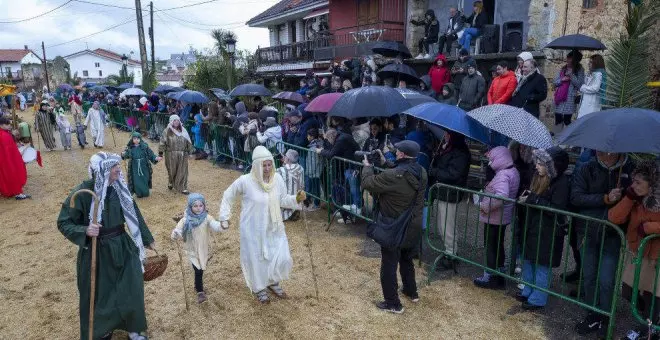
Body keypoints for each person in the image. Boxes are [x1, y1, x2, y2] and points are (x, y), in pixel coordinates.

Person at [57, 152, 155, 340]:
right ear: (100, 171)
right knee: (101, 295)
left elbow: (133, 212)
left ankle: (134, 328)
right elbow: (64, 222)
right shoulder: (83, 193)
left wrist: (146, 238)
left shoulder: (120, 188)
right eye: (113, 167)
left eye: (117, 165)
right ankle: (102, 331)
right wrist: (85, 230)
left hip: (123, 246)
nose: (118, 169)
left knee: (132, 287)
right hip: (97, 251)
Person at [219, 146, 306, 304]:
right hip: (253, 227)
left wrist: (296, 199)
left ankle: (273, 281)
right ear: (256, 165)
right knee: (257, 258)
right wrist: (224, 217)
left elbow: (282, 199)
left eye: (269, 164)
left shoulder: (277, 179)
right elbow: (228, 195)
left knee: (281, 257)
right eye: (263, 165)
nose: (267, 168)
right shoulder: (246, 181)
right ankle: (259, 287)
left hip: (274, 226)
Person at [361, 140, 428, 314]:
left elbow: (368, 183)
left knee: (389, 264)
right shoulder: (421, 171)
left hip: (394, 226)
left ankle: (392, 303)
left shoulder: (395, 176)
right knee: (406, 259)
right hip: (413, 224)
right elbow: (402, 172)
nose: (395, 152)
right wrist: (385, 162)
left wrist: (367, 166)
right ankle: (411, 291)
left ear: (402, 154)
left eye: (397, 151)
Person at [571, 151, 633, 336]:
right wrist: (604, 198)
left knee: (606, 279)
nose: (601, 152)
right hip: (587, 231)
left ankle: (605, 316)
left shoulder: (629, 170)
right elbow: (576, 197)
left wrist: (622, 199)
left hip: (612, 234)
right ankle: (592, 314)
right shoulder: (586, 167)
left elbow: (635, 200)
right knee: (589, 277)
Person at [608, 160, 660, 340]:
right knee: (628, 291)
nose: (633, 185)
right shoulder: (635, 199)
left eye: (638, 182)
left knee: (652, 296)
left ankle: (647, 329)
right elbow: (614, 218)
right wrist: (628, 197)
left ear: (652, 184)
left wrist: (649, 228)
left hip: (655, 257)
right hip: (636, 252)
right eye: (633, 181)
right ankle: (647, 321)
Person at [517, 147, 570, 310]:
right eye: (537, 163)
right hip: (534, 228)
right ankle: (528, 290)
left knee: (541, 266)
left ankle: (538, 298)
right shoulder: (539, 179)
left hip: (548, 232)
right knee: (529, 261)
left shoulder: (561, 184)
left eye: (541, 163)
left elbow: (556, 208)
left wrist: (532, 199)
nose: (537, 166)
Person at [474, 146, 520, 289]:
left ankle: (490, 276)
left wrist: (484, 206)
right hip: (502, 217)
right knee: (497, 245)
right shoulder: (513, 171)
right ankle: (499, 274)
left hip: (494, 217)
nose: (489, 162)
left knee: (491, 246)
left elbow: (501, 196)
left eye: (491, 159)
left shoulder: (502, 175)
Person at [171, 193, 226, 304]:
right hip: (192, 250)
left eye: (200, 205)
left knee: (202, 268)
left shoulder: (207, 218)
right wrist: (176, 233)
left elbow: (215, 225)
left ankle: (197, 286)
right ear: (190, 206)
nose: (198, 208)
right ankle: (200, 292)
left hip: (204, 248)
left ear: (204, 206)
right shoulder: (185, 220)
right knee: (198, 270)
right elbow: (176, 232)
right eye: (195, 206)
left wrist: (222, 226)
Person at [428, 131, 471, 269]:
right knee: (444, 225)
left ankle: (450, 255)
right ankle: (450, 252)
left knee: (448, 226)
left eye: (447, 134)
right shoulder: (450, 149)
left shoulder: (460, 153)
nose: (445, 135)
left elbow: (453, 174)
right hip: (443, 192)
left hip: (450, 193)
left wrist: (434, 172)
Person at [159, 115, 193, 195]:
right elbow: (162, 142)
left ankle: (183, 187)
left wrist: (190, 152)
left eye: (177, 120)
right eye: (174, 120)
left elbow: (188, 141)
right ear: (171, 121)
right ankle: (171, 181)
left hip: (183, 154)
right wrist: (160, 153)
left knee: (183, 171)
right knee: (172, 170)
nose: (176, 122)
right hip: (170, 154)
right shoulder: (167, 131)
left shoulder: (184, 131)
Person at [122, 132, 162, 198]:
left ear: (140, 139)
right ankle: (139, 193)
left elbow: (151, 154)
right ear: (132, 139)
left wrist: (156, 158)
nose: (136, 140)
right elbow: (126, 155)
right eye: (134, 138)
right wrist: (123, 154)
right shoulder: (130, 148)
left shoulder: (145, 147)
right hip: (134, 166)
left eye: (138, 138)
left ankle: (145, 192)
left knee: (145, 178)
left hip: (144, 166)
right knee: (136, 180)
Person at [553, 50, 585, 131]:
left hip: (570, 98)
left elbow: (580, 85)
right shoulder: (563, 69)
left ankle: (566, 139)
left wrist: (571, 75)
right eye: (568, 58)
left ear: (575, 60)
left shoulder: (580, 70)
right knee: (558, 119)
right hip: (560, 97)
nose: (567, 60)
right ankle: (557, 138)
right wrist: (562, 80)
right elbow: (555, 82)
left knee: (567, 120)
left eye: (570, 59)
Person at [0, 116, 30, 200]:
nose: (9, 125)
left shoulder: (4, 133)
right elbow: (9, 152)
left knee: (6, 176)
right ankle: (18, 193)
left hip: (4, 161)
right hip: (9, 161)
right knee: (14, 175)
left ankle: (10, 191)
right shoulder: (4, 135)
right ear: (1, 125)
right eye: (7, 124)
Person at [277, 149, 305, 221]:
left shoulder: (281, 170)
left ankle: (285, 213)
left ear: (288, 159)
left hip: (285, 200)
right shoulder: (301, 169)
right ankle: (295, 213)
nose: (284, 157)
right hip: (297, 200)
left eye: (285, 156)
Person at [577, 54, 605, 119]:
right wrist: (587, 76)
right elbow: (586, 83)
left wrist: (583, 88)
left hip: (591, 105)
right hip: (587, 103)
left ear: (596, 63)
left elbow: (595, 88)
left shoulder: (598, 74)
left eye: (591, 62)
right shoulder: (592, 73)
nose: (588, 64)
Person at [304, 128, 324, 211]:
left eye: (308, 135)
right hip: (314, 170)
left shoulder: (314, 147)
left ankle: (316, 204)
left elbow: (314, 161)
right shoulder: (316, 145)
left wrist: (310, 171)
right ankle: (315, 203)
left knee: (316, 188)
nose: (307, 137)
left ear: (311, 137)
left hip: (315, 171)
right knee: (315, 187)